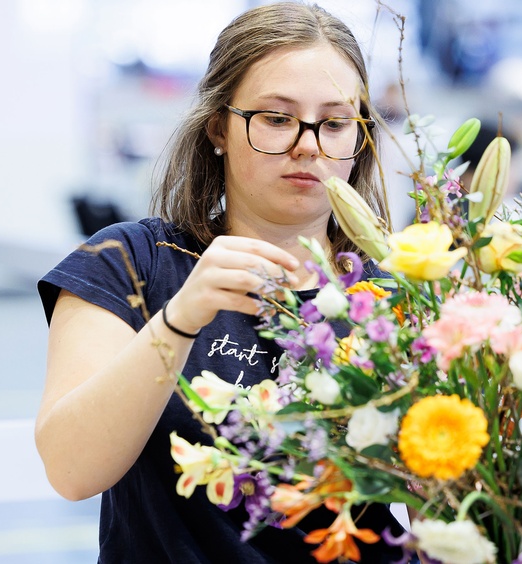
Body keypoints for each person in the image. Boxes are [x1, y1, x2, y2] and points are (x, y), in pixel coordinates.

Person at [35, 3, 403, 562]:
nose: (309, 145)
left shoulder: (398, 298)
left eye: (334, 123)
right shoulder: (133, 264)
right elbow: (71, 470)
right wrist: (180, 319)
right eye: (276, 118)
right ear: (218, 129)